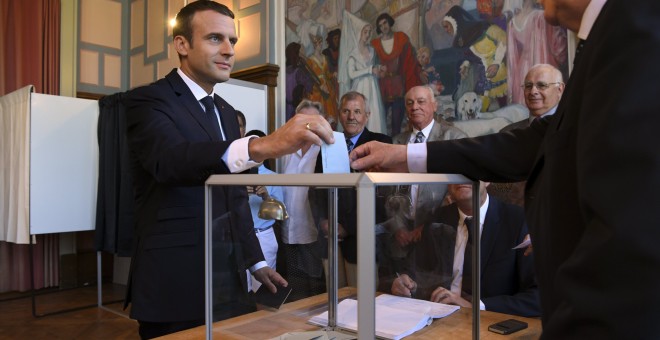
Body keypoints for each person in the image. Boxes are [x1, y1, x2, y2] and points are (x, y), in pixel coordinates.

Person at [349, 1, 660, 337]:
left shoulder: (639, 29)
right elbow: (519, 146)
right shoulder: (609, 36)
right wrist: (402, 155)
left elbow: (634, 224)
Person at [123, 2, 333, 338]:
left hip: (230, 278)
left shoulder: (224, 110)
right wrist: (261, 145)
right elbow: (171, 160)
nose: (229, 50)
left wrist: (256, 261)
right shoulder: (148, 101)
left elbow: (234, 194)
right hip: (175, 277)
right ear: (182, 45)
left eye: (232, 41)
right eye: (215, 38)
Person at [391, 182, 540, 317]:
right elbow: (414, 270)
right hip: (438, 320)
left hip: (488, 325)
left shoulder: (518, 220)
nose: (462, 177)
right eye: (456, 171)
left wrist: (475, 306)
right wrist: (404, 282)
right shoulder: (438, 218)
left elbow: (539, 296)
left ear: (487, 179)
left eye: (470, 170)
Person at [311, 91, 392, 287]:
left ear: (367, 115)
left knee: (360, 305)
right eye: (346, 111)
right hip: (329, 240)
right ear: (339, 114)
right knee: (334, 303)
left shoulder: (381, 144)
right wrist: (322, 220)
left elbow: (382, 197)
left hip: (361, 241)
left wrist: (346, 227)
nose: (351, 117)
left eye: (357, 111)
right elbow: (314, 189)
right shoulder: (328, 145)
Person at [382, 86, 466, 272]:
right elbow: (388, 192)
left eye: (421, 101)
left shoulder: (454, 138)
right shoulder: (396, 142)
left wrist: (427, 227)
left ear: (434, 106)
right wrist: (397, 228)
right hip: (400, 238)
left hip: (438, 234)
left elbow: (459, 192)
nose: (415, 107)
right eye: (410, 103)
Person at [492, 64, 564, 206]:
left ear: (560, 89)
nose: (533, 91)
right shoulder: (508, 133)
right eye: (528, 86)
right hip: (516, 219)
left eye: (541, 85)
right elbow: (497, 186)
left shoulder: (572, 130)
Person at [280, 100, 328, 302]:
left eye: (313, 121)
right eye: (303, 120)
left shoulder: (325, 151)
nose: (308, 125)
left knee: (317, 294)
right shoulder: (286, 151)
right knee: (294, 294)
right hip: (287, 233)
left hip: (315, 234)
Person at [443, 6, 508, 111]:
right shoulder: (464, 38)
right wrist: (466, 64)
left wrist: (496, 63)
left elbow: (504, 39)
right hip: (482, 77)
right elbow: (471, 55)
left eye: (447, 26)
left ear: (455, 22)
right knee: (480, 110)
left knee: (504, 108)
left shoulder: (484, 28)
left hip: (497, 72)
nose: (446, 30)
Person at [242, 129, 284, 293]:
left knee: (263, 287)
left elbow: (280, 215)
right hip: (242, 235)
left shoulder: (273, 177)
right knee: (243, 287)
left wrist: (267, 197)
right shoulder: (234, 175)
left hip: (264, 235)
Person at [371, 13, 424, 136]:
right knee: (380, 123)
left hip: (398, 87)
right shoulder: (375, 45)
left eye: (385, 23)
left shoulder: (401, 38)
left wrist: (410, 88)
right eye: (380, 25)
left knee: (396, 124)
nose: (383, 26)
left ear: (389, 22)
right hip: (381, 88)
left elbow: (409, 63)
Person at [506, 0, 568, 105]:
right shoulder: (540, 17)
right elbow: (559, 49)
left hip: (521, 73)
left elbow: (512, 58)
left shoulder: (512, 23)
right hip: (541, 65)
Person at [338, 10, 386, 134]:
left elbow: (373, 66)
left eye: (369, 32)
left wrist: (379, 68)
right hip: (360, 87)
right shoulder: (353, 53)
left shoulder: (372, 50)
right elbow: (352, 74)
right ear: (359, 33)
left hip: (372, 86)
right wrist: (370, 70)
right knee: (359, 111)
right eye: (365, 32)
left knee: (374, 113)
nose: (368, 34)